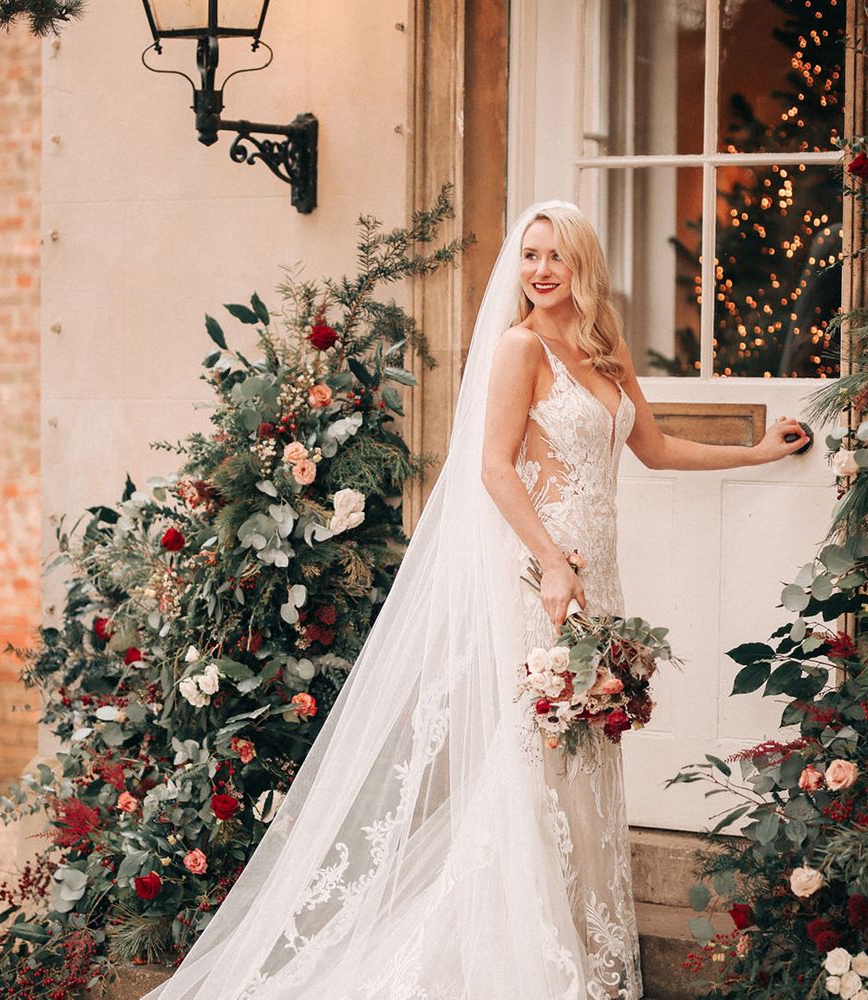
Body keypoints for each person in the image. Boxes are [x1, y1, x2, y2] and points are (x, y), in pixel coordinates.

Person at [142, 201, 809, 1000]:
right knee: (539, 755)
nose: (541, 270)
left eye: (556, 255)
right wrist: (551, 563)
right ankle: (521, 959)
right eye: (530, 255)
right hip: (544, 579)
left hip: (600, 582)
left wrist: (757, 452)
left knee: (586, 754)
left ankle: (574, 939)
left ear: (583, 263)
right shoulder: (520, 347)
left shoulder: (604, 347)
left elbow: (656, 449)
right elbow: (494, 467)